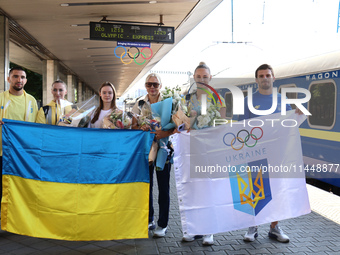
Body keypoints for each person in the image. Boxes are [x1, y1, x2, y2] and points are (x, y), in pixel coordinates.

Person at [238, 63, 301, 243]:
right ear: (256, 79)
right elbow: (241, 129)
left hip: (277, 155)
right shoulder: (248, 101)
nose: (265, 78)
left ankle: (274, 228)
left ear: (273, 78)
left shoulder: (282, 100)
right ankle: (253, 226)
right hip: (255, 153)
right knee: (256, 190)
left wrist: (297, 115)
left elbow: (288, 126)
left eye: (268, 75)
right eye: (262, 76)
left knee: (278, 192)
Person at [181, 62, 226, 246]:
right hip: (192, 149)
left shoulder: (218, 98)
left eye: (205, 76)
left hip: (210, 150)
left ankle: (209, 231)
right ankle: (194, 229)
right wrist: (185, 124)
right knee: (193, 190)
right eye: (198, 77)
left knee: (208, 190)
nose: (201, 80)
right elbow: (181, 123)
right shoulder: (186, 98)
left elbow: (223, 123)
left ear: (210, 77)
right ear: (194, 78)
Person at [132, 73, 175, 238]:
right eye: (149, 84)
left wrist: (160, 133)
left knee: (164, 188)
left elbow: (175, 127)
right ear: (145, 86)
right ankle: (149, 218)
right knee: (146, 186)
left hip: (164, 149)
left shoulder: (168, 103)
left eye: (155, 84)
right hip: (146, 150)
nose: (152, 87)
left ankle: (162, 224)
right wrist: (141, 128)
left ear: (160, 86)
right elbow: (133, 125)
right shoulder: (140, 103)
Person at [0, 66, 38, 211]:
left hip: (22, 154)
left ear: (26, 81)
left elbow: (36, 126)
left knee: (20, 188)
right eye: (15, 76)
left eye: (22, 77)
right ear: (8, 79)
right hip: (2, 152)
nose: (19, 80)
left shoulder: (31, 101)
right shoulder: (1, 98)